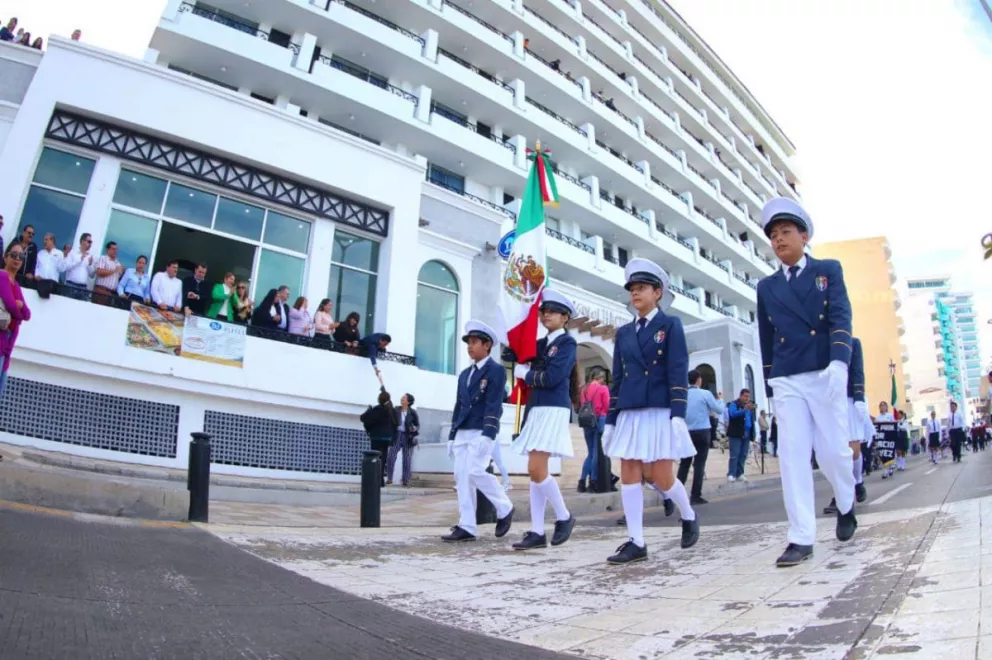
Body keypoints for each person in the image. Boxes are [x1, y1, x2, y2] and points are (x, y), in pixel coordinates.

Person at [756, 197, 857, 568]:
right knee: (792, 456)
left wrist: (839, 362)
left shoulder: (828, 270)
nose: (778, 240)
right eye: (773, 235)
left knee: (834, 453)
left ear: (804, 235)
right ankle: (801, 536)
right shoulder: (766, 287)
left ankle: (846, 502)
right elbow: (766, 336)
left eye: (785, 232)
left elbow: (841, 315)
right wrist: (770, 385)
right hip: (787, 377)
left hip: (823, 370)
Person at [602, 258, 699, 565]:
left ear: (658, 293)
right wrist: (611, 420)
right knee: (629, 471)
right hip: (631, 410)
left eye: (641, 287)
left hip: (659, 409)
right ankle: (636, 540)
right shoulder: (624, 333)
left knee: (661, 476)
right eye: (632, 288)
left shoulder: (670, 325)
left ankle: (688, 514)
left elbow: (677, 369)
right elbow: (617, 378)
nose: (635, 293)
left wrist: (678, 414)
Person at [509, 290, 578, 551]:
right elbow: (521, 350)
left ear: (565, 317)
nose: (546, 314)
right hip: (536, 408)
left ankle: (564, 516)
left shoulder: (567, 344)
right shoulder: (540, 344)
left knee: (536, 470)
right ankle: (537, 531)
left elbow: (552, 378)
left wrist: (526, 375)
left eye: (552, 311)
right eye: (544, 311)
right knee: (536, 473)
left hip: (552, 408)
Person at [441, 320, 514, 543]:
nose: (470, 347)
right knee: (462, 478)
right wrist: (452, 435)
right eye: (469, 343)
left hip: (481, 430)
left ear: (487, 345)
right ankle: (467, 526)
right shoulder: (465, 374)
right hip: (463, 430)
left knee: (475, 471)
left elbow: (494, 403)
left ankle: (505, 507)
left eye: (474, 342)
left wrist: (488, 433)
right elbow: (459, 405)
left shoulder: (496, 370)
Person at [826, 337, 868, 512]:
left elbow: (857, 371)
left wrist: (859, 398)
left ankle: (857, 481)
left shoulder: (854, 343)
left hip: (850, 398)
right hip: (830, 399)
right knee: (836, 452)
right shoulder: (820, 342)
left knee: (853, 451)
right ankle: (841, 495)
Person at [680, 369, 724, 504]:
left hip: (686, 431)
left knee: (684, 464)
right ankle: (695, 495)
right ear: (699, 380)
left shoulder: (683, 394)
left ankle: (676, 495)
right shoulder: (705, 393)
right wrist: (720, 400)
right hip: (702, 431)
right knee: (699, 464)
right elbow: (719, 409)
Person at [577, 367, 609, 493]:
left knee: (590, 453)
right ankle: (593, 482)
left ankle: (581, 481)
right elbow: (606, 406)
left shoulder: (584, 389)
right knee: (596, 453)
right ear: (600, 377)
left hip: (586, 422)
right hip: (599, 421)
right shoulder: (603, 388)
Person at [359, 391, 399, 488]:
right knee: (383, 459)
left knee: (375, 459)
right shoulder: (392, 410)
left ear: (379, 399)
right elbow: (396, 423)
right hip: (387, 439)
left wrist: (368, 410)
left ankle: (376, 480)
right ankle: (381, 480)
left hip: (376, 438)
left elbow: (364, 419)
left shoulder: (377, 409)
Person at [385, 394, 419, 487]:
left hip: (408, 436)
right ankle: (389, 479)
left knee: (407, 459)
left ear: (408, 402)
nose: (401, 399)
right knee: (391, 456)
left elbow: (417, 424)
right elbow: (389, 407)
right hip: (397, 434)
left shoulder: (412, 412)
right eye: (402, 397)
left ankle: (405, 480)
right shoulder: (397, 409)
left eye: (404, 398)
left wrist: (414, 428)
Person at [725, 389, 755, 482]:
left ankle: (740, 473)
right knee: (735, 454)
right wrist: (744, 410)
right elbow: (733, 414)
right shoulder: (734, 404)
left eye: (748, 396)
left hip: (746, 433)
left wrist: (753, 433)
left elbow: (751, 419)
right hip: (736, 433)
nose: (747, 398)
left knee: (743, 454)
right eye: (745, 396)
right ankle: (731, 474)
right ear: (741, 396)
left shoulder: (749, 406)